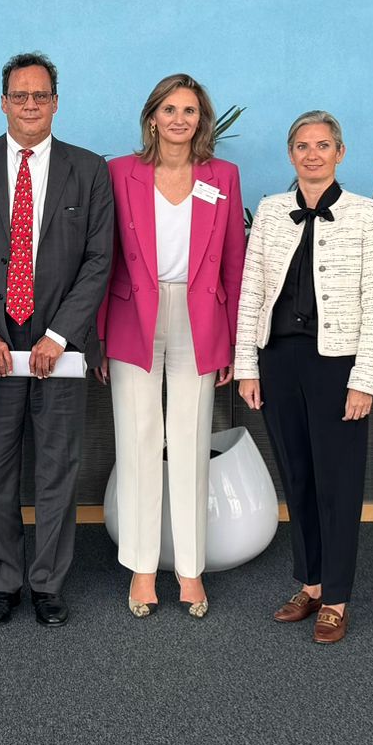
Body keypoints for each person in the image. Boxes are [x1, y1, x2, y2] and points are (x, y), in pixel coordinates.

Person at [0, 52, 115, 627]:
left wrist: (61, 335)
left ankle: (46, 583)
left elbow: (99, 261)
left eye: (40, 96)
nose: (30, 105)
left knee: (56, 468)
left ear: (56, 102)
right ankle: (1, 582)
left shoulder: (89, 170)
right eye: (19, 96)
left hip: (58, 352)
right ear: (3, 102)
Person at [233, 112, 373, 643]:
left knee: (338, 483)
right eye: (302, 146)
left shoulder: (369, 216)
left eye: (323, 145)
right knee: (297, 477)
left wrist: (364, 378)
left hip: (338, 366)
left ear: (340, 153)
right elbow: (251, 292)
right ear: (290, 153)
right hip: (279, 360)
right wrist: (248, 365)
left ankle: (339, 597)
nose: (312, 154)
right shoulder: (274, 211)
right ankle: (312, 583)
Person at [99, 74, 245, 619]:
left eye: (189, 110)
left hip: (201, 314)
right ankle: (140, 567)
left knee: (189, 438)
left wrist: (232, 343)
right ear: (152, 117)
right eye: (169, 109)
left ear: (200, 119)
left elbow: (235, 259)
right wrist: (99, 339)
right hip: (131, 313)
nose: (179, 119)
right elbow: (104, 256)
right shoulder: (120, 172)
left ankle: (190, 569)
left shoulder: (223, 175)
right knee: (137, 438)